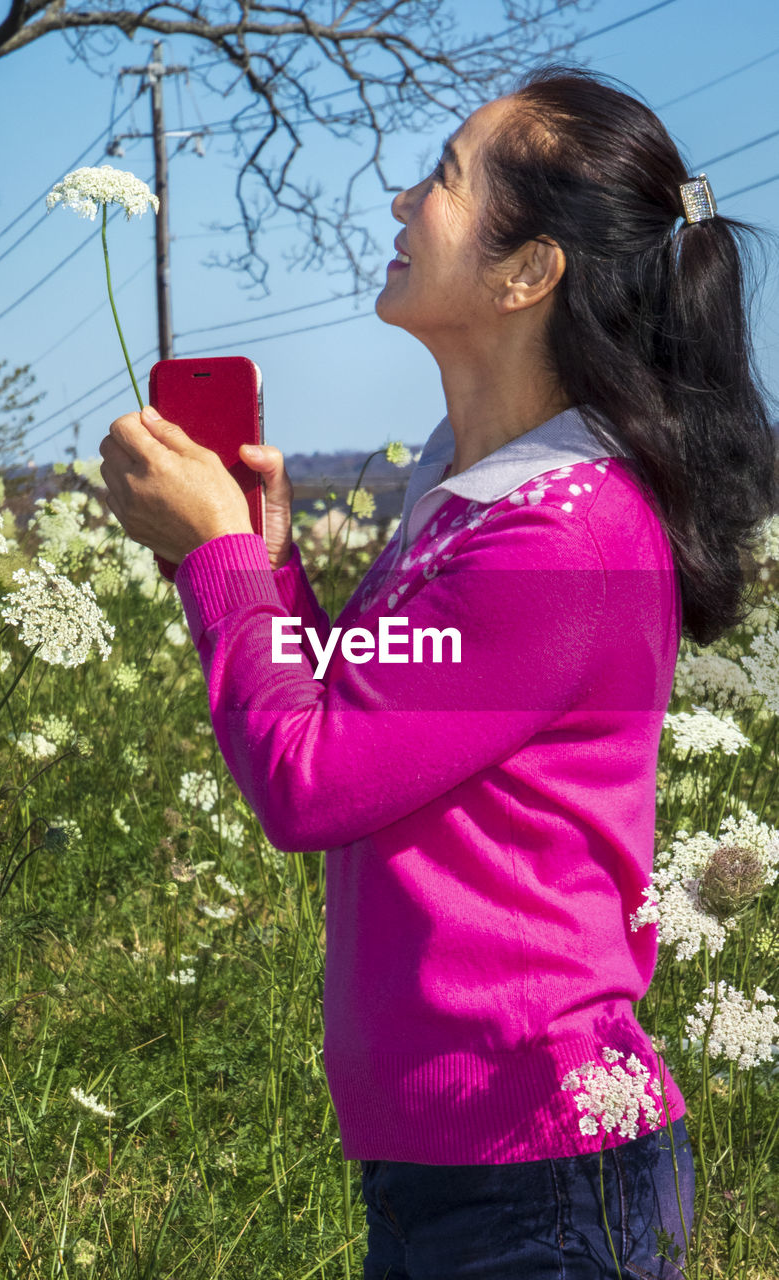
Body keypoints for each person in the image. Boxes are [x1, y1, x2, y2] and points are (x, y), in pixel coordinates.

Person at [99, 61, 776, 1280]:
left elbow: (306, 785)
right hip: (466, 1163)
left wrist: (218, 566)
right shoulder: (463, 496)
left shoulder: (562, 537)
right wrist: (269, 562)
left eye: (444, 179)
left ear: (527, 274)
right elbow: (359, 714)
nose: (401, 202)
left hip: (544, 1170)